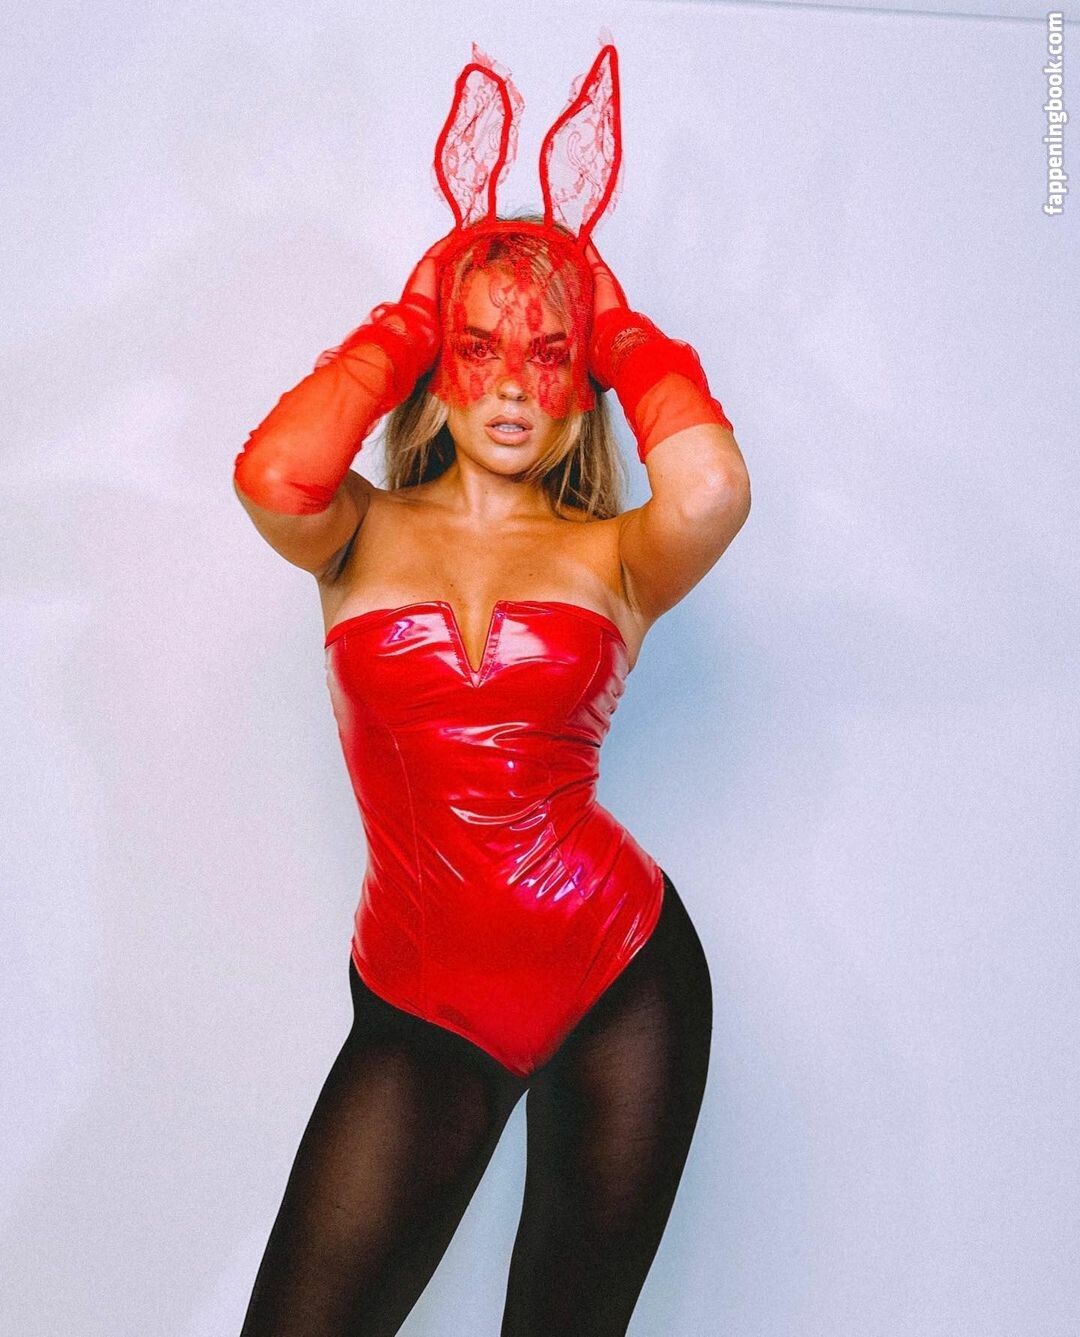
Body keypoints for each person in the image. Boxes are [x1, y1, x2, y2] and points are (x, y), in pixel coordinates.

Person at [230, 43, 750, 1336]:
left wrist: (617, 324)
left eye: (548, 353)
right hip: (423, 1003)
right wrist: (412, 315)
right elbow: (273, 474)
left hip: (622, 977)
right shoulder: (354, 529)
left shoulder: (615, 554)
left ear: (584, 379)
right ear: (440, 366)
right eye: (480, 348)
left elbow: (709, 491)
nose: (514, 381)